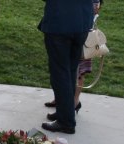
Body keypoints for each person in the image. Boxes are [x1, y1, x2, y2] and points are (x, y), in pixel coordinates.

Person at [39, 0, 93, 135]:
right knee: (70, 70)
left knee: (61, 73)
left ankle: (66, 122)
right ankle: (65, 112)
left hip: (60, 22)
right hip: (82, 22)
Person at [44, 0, 103, 114]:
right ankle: (66, 109)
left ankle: (67, 115)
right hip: (81, 23)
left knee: (65, 72)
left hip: (63, 24)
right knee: (71, 70)